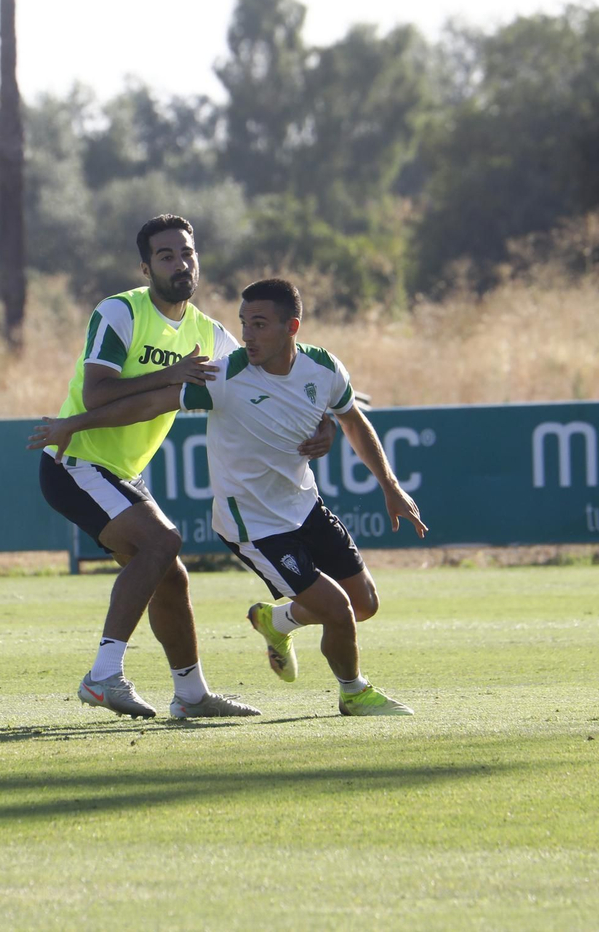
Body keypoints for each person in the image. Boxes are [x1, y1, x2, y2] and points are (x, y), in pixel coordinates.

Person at [32, 278, 427, 716]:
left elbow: (350, 416)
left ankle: (253, 641)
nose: (247, 334)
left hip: (304, 506)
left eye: (259, 324)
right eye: (244, 324)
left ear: (291, 326)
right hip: (253, 524)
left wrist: (385, 481)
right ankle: (353, 692)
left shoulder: (322, 366)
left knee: (363, 605)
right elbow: (151, 403)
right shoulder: (222, 372)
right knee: (333, 608)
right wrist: (75, 423)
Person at [39, 215, 335, 720]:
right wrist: (171, 372)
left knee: (170, 577)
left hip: (120, 473)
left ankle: (191, 696)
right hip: (77, 462)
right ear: (145, 266)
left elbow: (264, 374)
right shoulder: (120, 312)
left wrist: (328, 414)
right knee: (163, 543)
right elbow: (96, 392)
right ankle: (103, 676)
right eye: (166, 255)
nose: (181, 263)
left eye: (187, 253)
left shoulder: (208, 333)